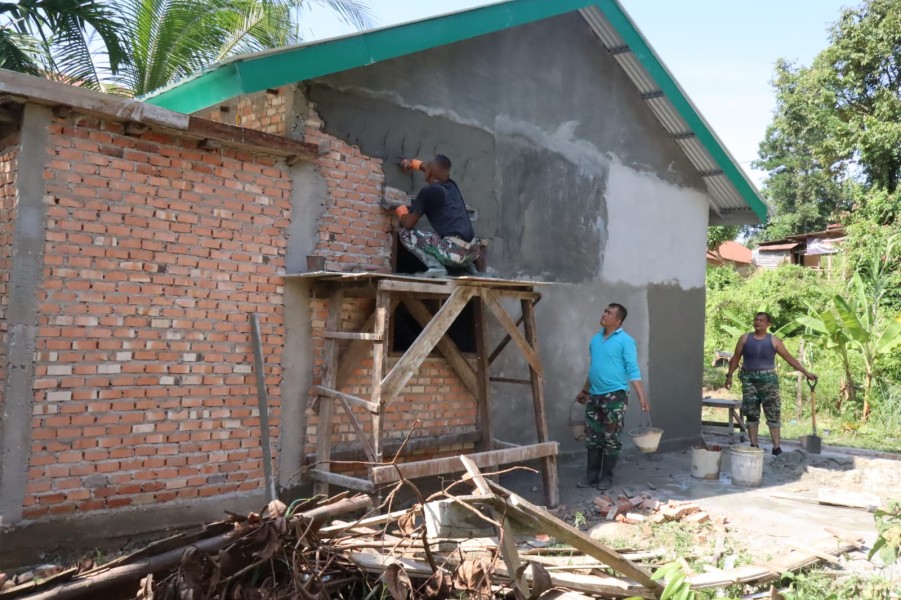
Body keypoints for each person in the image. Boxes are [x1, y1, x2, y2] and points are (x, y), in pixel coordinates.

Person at [575, 303, 649, 490]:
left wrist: (642, 396)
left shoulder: (626, 341)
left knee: (610, 437)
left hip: (615, 396)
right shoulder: (595, 339)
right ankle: (591, 476)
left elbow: (632, 369)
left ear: (618, 321)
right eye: (604, 311)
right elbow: (594, 369)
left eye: (609, 313)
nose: (604, 314)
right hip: (594, 395)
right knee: (592, 437)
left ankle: (606, 477)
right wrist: (585, 391)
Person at [724, 312, 817, 456]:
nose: (757, 322)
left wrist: (806, 373)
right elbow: (735, 358)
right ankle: (754, 445)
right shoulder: (744, 339)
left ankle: (776, 447)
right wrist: (729, 376)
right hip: (749, 380)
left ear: (768, 324)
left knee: (773, 413)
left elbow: (789, 358)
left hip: (768, 380)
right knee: (752, 414)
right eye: (756, 319)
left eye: (761, 320)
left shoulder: (774, 341)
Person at [392, 155, 480, 278]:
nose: (425, 167)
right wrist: (413, 163)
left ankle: (436, 268)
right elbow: (432, 169)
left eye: (428, 167)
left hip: (453, 252)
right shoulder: (452, 185)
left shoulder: (427, 192)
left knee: (405, 234)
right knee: (451, 239)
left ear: (430, 173)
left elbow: (408, 223)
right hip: (473, 252)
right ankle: (467, 268)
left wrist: (401, 212)